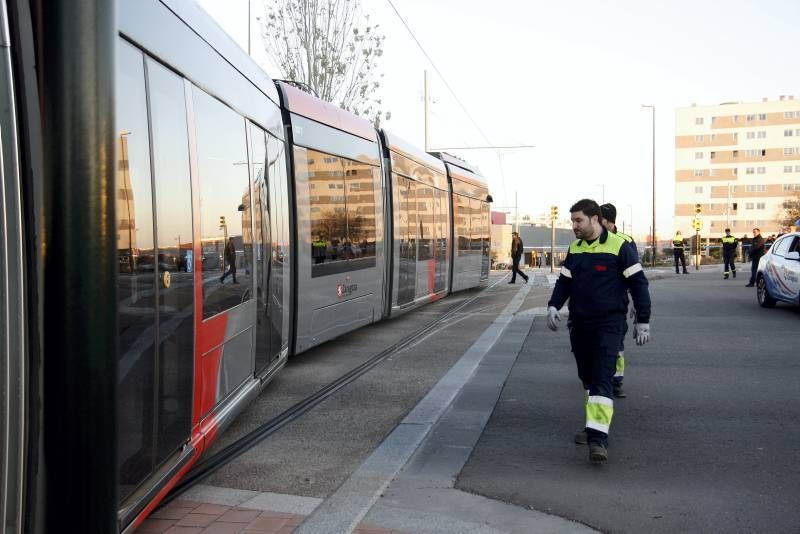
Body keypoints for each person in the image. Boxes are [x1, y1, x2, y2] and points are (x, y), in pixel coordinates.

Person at [546, 199, 651, 464]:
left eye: (578, 220)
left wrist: (643, 319)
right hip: (580, 324)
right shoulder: (575, 248)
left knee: (603, 377)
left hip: (609, 324)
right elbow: (565, 281)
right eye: (572, 221)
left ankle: (598, 440)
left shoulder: (620, 246)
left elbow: (638, 283)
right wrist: (553, 305)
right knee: (588, 377)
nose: (574, 226)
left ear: (595, 219)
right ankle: (593, 426)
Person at [600, 203, 636, 398]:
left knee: (617, 344)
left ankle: (616, 381)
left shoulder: (625, 241)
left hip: (617, 302)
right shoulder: (592, 238)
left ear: (608, 221)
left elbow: (634, 274)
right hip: (595, 304)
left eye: (599, 218)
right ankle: (600, 376)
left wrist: (637, 304)